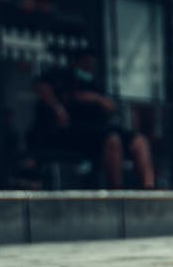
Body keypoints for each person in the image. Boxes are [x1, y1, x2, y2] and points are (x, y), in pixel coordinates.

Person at [33, 51, 155, 189]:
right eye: (86, 63)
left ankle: (149, 189)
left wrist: (97, 99)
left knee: (140, 141)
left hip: (100, 128)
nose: (89, 67)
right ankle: (118, 192)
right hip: (75, 132)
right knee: (112, 140)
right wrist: (58, 109)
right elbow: (41, 87)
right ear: (77, 62)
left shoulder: (95, 83)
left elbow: (111, 106)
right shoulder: (62, 76)